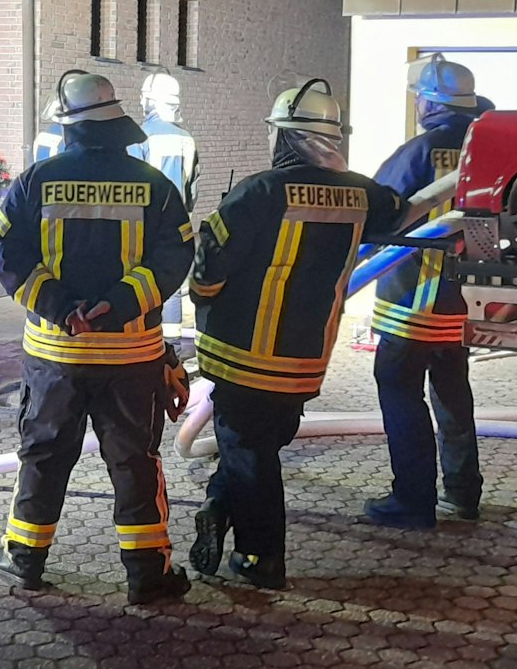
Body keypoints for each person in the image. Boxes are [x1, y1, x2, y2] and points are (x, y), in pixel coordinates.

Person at [186, 79, 406, 588]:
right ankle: (219, 505)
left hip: (242, 351)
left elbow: (209, 266)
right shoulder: (362, 193)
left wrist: (203, 296)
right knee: (262, 443)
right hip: (306, 353)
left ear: (284, 137)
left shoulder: (259, 191)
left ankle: (261, 560)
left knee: (248, 452)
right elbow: (398, 211)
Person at [0, 71, 196, 604]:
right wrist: (120, 305)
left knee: (44, 454)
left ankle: (24, 559)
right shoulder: (155, 186)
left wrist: (61, 309)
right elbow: (174, 258)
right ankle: (148, 574)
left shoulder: (37, 180)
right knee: (135, 460)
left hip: (56, 355)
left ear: (69, 126)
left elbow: (6, 250)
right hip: (132, 356)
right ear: (115, 121)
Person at [362, 54, 491, 530]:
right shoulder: (490, 145)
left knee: (401, 395)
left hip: (412, 302)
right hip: (463, 303)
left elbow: (380, 211)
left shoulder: (420, 151)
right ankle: (463, 493)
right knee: (454, 396)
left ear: (429, 101)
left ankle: (412, 499)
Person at [128, 71, 199, 350]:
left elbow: (131, 184)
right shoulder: (187, 139)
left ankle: (145, 340)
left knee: (142, 281)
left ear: (149, 102)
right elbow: (193, 186)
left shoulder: (139, 137)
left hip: (144, 223)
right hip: (178, 223)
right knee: (171, 281)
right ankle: (173, 344)